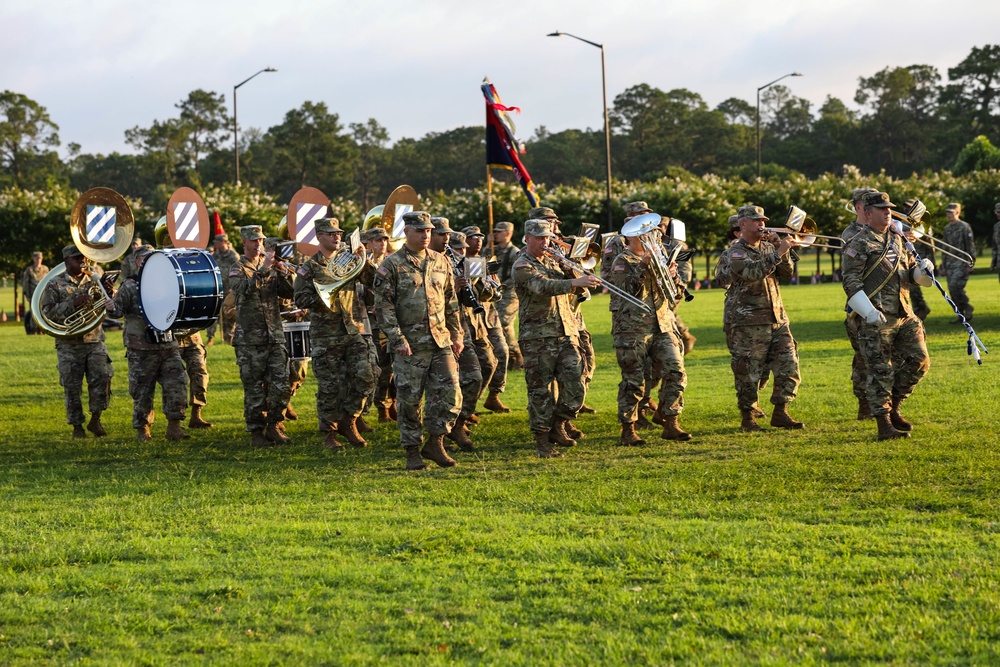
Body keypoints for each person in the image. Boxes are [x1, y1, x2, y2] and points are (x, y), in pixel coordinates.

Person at [375, 211, 464, 470]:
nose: (426, 235)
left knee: (450, 394)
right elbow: (383, 307)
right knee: (410, 400)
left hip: (441, 341)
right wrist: (397, 339)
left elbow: (451, 301)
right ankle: (412, 450)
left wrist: (456, 334)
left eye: (428, 231)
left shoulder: (440, 261)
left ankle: (436, 443)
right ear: (407, 232)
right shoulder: (391, 265)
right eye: (420, 231)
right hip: (410, 346)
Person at [841, 191, 933, 440]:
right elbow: (850, 281)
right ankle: (884, 424)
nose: (887, 211)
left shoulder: (899, 238)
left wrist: (924, 272)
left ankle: (895, 406)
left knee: (920, 360)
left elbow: (911, 274)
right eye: (881, 208)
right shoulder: (858, 242)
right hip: (876, 316)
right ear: (867, 214)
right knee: (880, 371)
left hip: (904, 312)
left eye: (888, 208)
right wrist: (868, 311)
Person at [513, 219, 601, 457]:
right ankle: (542, 441)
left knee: (577, 383)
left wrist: (573, 265)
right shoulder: (522, 265)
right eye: (540, 238)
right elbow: (543, 287)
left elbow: (580, 277)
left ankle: (559, 424)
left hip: (566, 332)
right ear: (527, 238)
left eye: (548, 238)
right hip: (537, 337)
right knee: (540, 391)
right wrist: (574, 282)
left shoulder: (554, 259)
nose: (545, 243)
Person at [715, 205, 803, 432]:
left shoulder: (768, 247)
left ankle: (781, 412)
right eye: (756, 221)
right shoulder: (735, 252)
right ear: (743, 224)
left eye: (763, 220)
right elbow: (751, 273)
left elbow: (786, 273)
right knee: (748, 371)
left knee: (789, 365)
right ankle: (748, 417)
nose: (762, 224)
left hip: (777, 318)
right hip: (748, 322)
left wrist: (778, 248)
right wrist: (778, 252)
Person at [293, 219, 378, 450]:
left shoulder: (350, 260)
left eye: (338, 233)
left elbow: (374, 281)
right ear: (319, 236)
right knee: (330, 386)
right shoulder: (309, 267)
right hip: (326, 334)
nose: (336, 237)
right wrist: (325, 297)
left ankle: (349, 420)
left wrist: (365, 260)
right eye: (330, 234)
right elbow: (300, 298)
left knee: (366, 377)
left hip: (353, 329)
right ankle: (329, 433)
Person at [609, 225, 690, 445]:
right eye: (645, 233)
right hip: (632, 329)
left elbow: (677, 294)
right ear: (631, 236)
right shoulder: (622, 261)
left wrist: (673, 276)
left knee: (676, 370)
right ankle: (628, 429)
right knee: (633, 381)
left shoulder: (660, 256)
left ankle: (670, 421)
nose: (651, 236)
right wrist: (643, 266)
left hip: (662, 326)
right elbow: (626, 291)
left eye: (652, 232)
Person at [105, 244, 189, 442]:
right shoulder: (130, 285)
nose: (150, 261)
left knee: (177, 384)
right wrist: (110, 304)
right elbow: (117, 311)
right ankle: (143, 429)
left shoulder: (168, 282)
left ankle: (174, 426)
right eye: (145, 258)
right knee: (143, 390)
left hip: (168, 344)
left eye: (153, 257)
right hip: (141, 347)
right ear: (137, 262)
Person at [230, 225, 295, 446]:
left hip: (274, 334)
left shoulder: (270, 265)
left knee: (281, 384)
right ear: (244, 243)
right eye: (254, 240)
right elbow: (244, 290)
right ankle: (256, 432)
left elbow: (290, 293)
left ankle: (274, 425)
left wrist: (285, 272)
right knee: (254, 388)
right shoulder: (237, 267)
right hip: (250, 339)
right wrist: (266, 269)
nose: (259, 244)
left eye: (261, 240)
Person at [529, 206, 597, 418]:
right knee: (550, 375)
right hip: (547, 321)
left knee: (585, 361)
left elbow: (587, 271)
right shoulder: (533, 254)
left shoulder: (561, 245)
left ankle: (572, 403)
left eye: (555, 223)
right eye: (550, 222)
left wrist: (571, 262)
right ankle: (560, 417)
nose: (555, 227)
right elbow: (543, 284)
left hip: (571, 315)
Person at [41, 245, 114, 438]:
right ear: (66, 261)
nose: (82, 261)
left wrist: (108, 292)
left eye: (84, 257)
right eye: (76, 258)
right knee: (72, 387)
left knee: (102, 379)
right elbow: (47, 314)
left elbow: (109, 306)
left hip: (95, 340)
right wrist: (71, 303)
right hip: (69, 344)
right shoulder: (54, 284)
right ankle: (77, 427)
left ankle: (96, 420)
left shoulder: (94, 279)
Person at [429, 218, 476, 451]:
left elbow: (453, 303)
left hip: (453, 331)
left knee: (473, 376)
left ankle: (457, 423)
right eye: (441, 234)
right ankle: (432, 437)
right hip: (424, 334)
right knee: (425, 390)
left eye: (448, 234)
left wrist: (463, 288)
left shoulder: (450, 260)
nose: (446, 238)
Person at [841, 187, 879, 420]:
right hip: (862, 303)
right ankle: (864, 403)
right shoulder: (851, 233)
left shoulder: (889, 231)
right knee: (864, 357)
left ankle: (886, 404)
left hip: (891, 301)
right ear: (859, 207)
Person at [464, 224, 511, 414]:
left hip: (489, 316)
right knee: (480, 364)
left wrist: (494, 282)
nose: (478, 240)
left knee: (502, 352)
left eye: (480, 237)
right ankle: (470, 404)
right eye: (473, 237)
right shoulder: (457, 263)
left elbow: (493, 294)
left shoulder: (486, 260)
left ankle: (494, 396)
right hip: (471, 320)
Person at [363, 227, 397, 422]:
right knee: (383, 367)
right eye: (377, 240)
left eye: (384, 239)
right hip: (375, 323)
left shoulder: (392, 261)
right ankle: (382, 407)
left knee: (395, 367)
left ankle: (393, 402)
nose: (382, 243)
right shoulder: (364, 264)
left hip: (393, 321)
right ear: (369, 243)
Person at [491, 221, 523, 370]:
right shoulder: (493, 250)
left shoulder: (514, 252)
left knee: (503, 322)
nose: (495, 234)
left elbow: (515, 275)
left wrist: (501, 285)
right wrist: (487, 246)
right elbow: (481, 263)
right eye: (495, 231)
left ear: (508, 233)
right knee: (500, 324)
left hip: (509, 293)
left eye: (499, 231)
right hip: (495, 292)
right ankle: (511, 355)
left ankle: (515, 354)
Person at [940, 203, 976, 322]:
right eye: (948, 212)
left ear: (958, 212)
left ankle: (966, 306)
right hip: (950, 264)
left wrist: (971, 263)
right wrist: (943, 265)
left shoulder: (965, 227)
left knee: (955, 286)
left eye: (951, 212)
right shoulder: (946, 228)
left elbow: (970, 246)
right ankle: (961, 314)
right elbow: (944, 248)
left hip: (961, 262)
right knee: (951, 290)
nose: (949, 214)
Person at [210, 232, 241, 345]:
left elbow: (238, 273)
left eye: (216, 242)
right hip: (217, 289)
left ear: (223, 242)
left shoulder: (234, 256)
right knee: (214, 313)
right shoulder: (215, 255)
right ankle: (210, 337)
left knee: (228, 314)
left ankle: (229, 337)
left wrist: (234, 288)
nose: (215, 244)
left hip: (229, 290)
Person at [22, 250, 49, 334]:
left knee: (44, 312)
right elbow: (26, 284)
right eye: (37, 258)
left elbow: (49, 281)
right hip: (33, 295)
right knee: (34, 313)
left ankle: (43, 329)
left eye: (40, 258)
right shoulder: (29, 270)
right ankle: (34, 330)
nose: (38, 260)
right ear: (33, 259)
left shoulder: (45, 269)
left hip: (44, 295)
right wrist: (28, 296)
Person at [992, 203, 1000, 283]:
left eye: (999, 212)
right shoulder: (996, 226)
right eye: (996, 212)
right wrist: (993, 263)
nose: (997, 214)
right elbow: (995, 246)